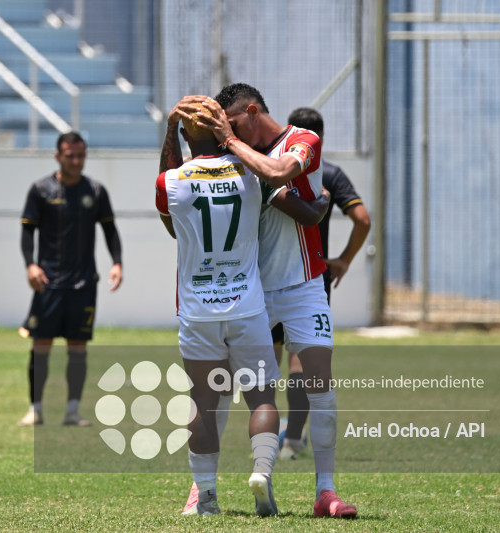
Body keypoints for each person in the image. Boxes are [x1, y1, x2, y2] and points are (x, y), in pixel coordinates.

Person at [156, 103, 330, 517]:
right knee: (262, 398)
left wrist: (169, 131)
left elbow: (169, 221)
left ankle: (206, 495)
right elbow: (298, 206)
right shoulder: (250, 173)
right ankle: (261, 471)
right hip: (247, 307)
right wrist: (321, 206)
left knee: (204, 398)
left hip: (199, 311)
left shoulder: (171, 182)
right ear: (221, 133)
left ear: (184, 139)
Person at [195, 83, 358, 518]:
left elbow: (281, 172)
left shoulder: (303, 140)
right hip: (250, 289)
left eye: (227, 123)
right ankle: (203, 490)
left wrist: (231, 143)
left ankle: (326, 491)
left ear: (251, 112)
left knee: (318, 381)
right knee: (225, 387)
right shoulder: (231, 157)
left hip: (305, 285)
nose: (222, 134)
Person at [275, 107, 372, 461]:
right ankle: (294, 440)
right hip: (312, 278)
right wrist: (343, 260)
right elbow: (362, 219)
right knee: (303, 365)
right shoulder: (330, 174)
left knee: (267, 368)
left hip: (270, 278)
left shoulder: (273, 171)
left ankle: (268, 445)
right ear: (320, 137)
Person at [17, 131, 123, 427]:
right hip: (48, 283)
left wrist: (117, 263)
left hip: (83, 283)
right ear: (58, 156)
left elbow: (110, 231)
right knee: (41, 346)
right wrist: (30, 266)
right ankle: (35, 409)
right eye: (70, 155)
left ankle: (72, 411)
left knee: (78, 347)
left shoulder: (96, 192)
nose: (76, 161)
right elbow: (27, 232)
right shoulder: (41, 190)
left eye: (81, 155)